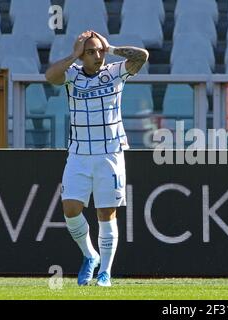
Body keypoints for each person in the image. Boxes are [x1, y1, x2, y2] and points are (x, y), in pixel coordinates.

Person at [45, 30, 149, 286]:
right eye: (91, 51)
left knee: (106, 213)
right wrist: (74, 55)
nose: (97, 55)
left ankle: (106, 271)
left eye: (99, 51)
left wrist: (109, 46)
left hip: (109, 154)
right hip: (79, 154)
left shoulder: (115, 71)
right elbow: (49, 77)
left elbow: (142, 56)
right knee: (70, 210)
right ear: (82, 55)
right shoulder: (73, 75)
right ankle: (89, 255)